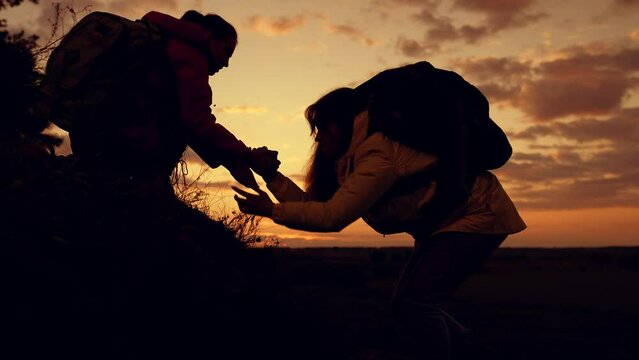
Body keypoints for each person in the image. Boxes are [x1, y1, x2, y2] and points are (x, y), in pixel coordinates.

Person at [234, 87, 526, 359]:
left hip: (478, 213)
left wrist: (271, 210)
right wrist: (272, 177)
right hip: (446, 222)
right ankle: (468, 348)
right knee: (407, 305)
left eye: (323, 128)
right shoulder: (352, 158)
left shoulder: (377, 154)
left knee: (416, 304)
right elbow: (319, 207)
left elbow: (332, 217)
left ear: (343, 123)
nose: (318, 137)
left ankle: (463, 348)